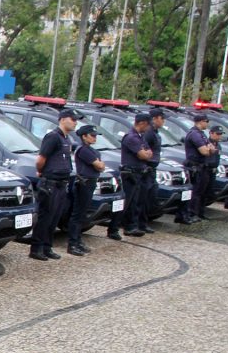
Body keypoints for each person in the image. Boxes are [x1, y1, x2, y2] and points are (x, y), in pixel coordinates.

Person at [31, 108, 78, 261]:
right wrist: (42, 172)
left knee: (55, 217)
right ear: (63, 119)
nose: (75, 122)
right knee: (45, 217)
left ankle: (47, 247)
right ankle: (36, 248)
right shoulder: (53, 137)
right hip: (50, 183)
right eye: (73, 119)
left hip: (61, 183)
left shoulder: (66, 138)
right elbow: (40, 160)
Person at [109, 113, 153, 238]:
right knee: (125, 203)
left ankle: (130, 226)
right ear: (142, 123)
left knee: (134, 202)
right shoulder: (131, 137)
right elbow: (144, 155)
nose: (149, 127)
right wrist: (145, 153)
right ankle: (113, 228)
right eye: (148, 124)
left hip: (139, 173)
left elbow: (150, 152)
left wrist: (146, 153)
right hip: (130, 174)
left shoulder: (140, 137)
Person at [67, 125, 105, 256]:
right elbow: (99, 165)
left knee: (82, 214)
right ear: (84, 136)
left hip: (90, 182)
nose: (94, 138)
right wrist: (99, 164)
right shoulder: (83, 150)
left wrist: (99, 164)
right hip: (84, 183)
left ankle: (77, 240)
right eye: (92, 135)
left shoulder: (91, 150)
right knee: (77, 214)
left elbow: (101, 166)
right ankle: (72, 243)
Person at [183, 113, 216, 222]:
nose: (207, 124)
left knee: (201, 192)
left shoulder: (201, 134)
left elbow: (212, 148)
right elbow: (205, 151)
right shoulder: (194, 134)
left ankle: (196, 213)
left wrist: (209, 149)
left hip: (202, 167)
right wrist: (209, 149)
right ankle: (191, 214)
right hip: (195, 167)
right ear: (200, 121)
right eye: (206, 121)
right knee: (195, 192)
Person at [140, 108, 165, 233]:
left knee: (151, 196)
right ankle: (141, 223)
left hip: (151, 169)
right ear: (155, 118)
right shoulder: (149, 132)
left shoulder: (154, 132)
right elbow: (143, 150)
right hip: (147, 169)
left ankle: (144, 222)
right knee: (144, 198)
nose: (164, 121)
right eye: (162, 118)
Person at [205, 125, 225, 210]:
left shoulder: (217, 145)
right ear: (211, 133)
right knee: (202, 192)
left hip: (213, 171)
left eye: (221, 134)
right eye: (218, 134)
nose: (219, 136)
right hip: (206, 170)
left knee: (209, 191)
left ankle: (202, 211)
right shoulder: (206, 143)